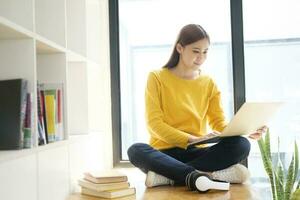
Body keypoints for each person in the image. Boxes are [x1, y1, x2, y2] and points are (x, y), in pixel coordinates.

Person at [127, 24, 267, 192]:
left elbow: (218, 122)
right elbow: (154, 124)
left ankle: (169, 177)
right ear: (180, 47)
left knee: (242, 144)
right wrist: (191, 138)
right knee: (135, 150)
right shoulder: (156, 77)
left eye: (205, 52)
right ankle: (210, 173)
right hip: (164, 154)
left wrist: (245, 129)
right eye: (195, 51)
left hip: (196, 152)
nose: (201, 57)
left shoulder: (209, 83)